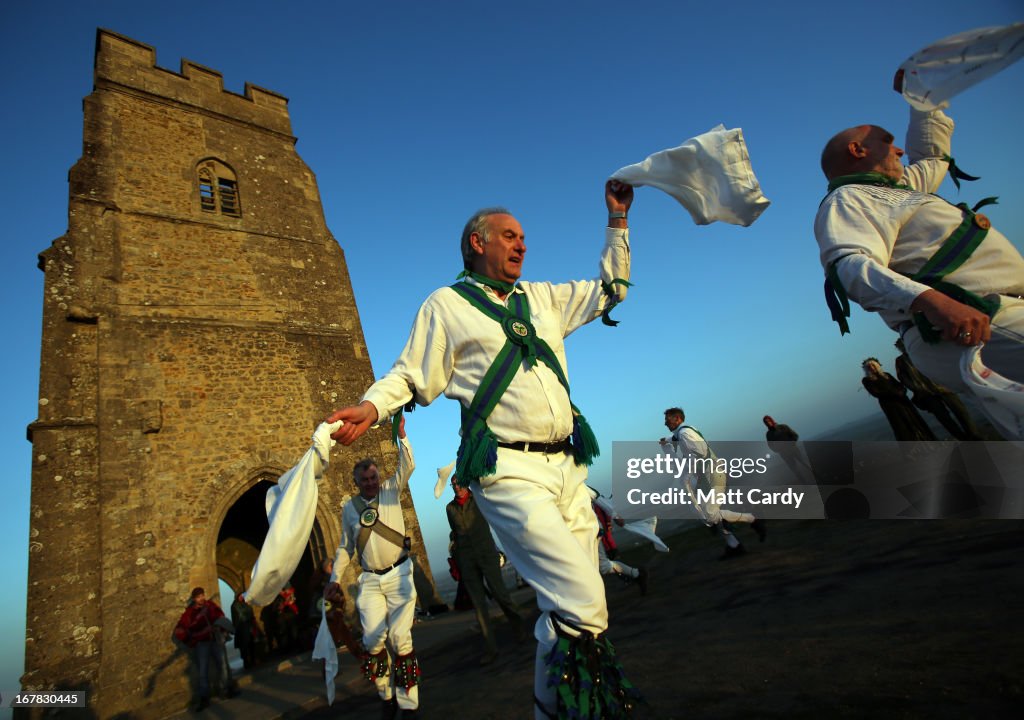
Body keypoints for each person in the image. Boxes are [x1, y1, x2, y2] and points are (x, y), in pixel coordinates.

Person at [326, 180, 641, 719]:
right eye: (510, 236)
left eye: (523, 238)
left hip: (568, 465)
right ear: (478, 243)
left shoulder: (542, 299)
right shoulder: (446, 306)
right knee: (580, 601)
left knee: (579, 606)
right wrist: (373, 407)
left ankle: (558, 709)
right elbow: (409, 374)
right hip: (508, 471)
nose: (522, 245)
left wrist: (617, 221)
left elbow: (613, 287)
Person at [814, 90, 1024, 431]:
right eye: (888, 141)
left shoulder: (901, 189)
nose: (899, 150)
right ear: (858, 150)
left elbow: (934, 156)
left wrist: (924, 93)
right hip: (970, 322)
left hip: (989, 318)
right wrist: (934, 302)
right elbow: (850, 266)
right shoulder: (848, 198)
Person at [324, 416, 420, 720]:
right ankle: (386, 696)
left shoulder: (391, 489)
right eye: (365, 480)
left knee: (401, 638)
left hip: (400, 573)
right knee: (372, 642)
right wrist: (335, 579)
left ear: (379, 477)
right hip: (370, 581)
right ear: (356, 482)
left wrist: (402, 437)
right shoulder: (349, 510)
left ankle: (409, 705)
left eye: (373, 477)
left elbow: (408, 466)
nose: (371, 482)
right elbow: (344, 548)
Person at [660, 407, 766, 558]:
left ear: (678, 419)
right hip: (707, 477)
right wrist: (667, 440)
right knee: (707, 516)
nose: (665, 423)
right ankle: (734, 545)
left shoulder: (685, 433)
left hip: (712, 476)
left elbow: (701, 452)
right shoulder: (685, 431)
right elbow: (679, 439)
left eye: (667, 420)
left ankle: (752, 519)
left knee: (710, 515)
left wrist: (689, 472)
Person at [446, 475, 528, 665]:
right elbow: (454, 533)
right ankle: (492, 649)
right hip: (467, 560)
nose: (456, 486)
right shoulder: (450, 509)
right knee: (479, 606)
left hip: (486, 554)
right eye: (453, 484)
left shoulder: (480, 498)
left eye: (459, 482)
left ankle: (519, 627)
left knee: (501, 595)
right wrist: (456, 557)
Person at [893, 338, 983, 440]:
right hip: (925, 394)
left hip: (942, 386)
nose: (902, 347)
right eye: (899, 346)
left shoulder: (922, 352)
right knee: (943, 417)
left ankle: (974, 436)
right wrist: (917, 388)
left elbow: (938, 362)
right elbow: (902, 378)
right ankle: (962, 438)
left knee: (960, 411)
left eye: (902, 344)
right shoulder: (900, 361)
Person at [174, 587, 239, 711]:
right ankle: (204, 698)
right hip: (202, 643)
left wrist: (220, 627)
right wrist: (192, 639)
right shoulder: (190, 612)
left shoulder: (210, 605)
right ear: (194, 599)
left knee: (223, 665)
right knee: (203, 671)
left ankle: (226, 690)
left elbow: (220, 615)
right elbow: (181, 629)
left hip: (215, 639)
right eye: (198, 597)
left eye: (202, 595)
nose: (201, 598)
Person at [590, 487, 649, 594]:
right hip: (581, 533)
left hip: (591, 532)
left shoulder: (574, 482)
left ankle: (637, 574)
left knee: (603, 567)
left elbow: (596, 496)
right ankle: (636, 574)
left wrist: (615, 516)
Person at [861, 357, 936, 441]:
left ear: (877, 366)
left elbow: (899, 385)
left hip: (903, 401)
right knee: (901, 425)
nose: (872, 368)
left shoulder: (887, 375)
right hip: (891, 406)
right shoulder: (867, 380)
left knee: (915, 420)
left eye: (873, 365)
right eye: (869, 366)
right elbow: (876, 393)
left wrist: (902, 391)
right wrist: (895, 393)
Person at [762, 415, 816, 484]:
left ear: (771, 420)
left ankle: (817, 479)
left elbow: (795, 435)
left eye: (768, 421)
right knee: (795, 470)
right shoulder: (769, 434)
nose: (768, 423)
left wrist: (791, 444)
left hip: (794, 449)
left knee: (805, 464)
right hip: (785, 454)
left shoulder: (783, 427)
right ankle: (806, 484)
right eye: (766, 422)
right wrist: (779, 450)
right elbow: (771, 446)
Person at [230, 590, 257, 670]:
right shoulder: (235, 605)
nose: (242, 597)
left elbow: (251, 613)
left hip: (249, 626)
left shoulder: (246, 603)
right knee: (244, 646)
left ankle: (253, 660)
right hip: (241, 628)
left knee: (251, 644)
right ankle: (247, 662)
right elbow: (241, 614)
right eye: (240, 595)